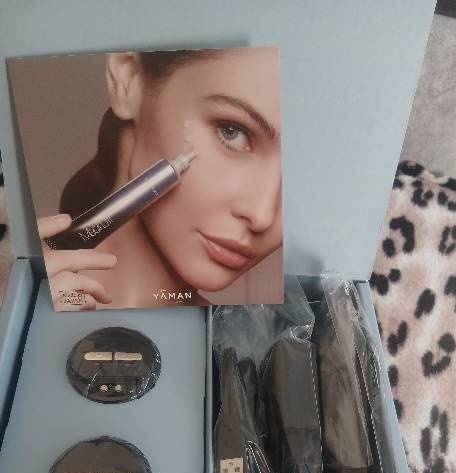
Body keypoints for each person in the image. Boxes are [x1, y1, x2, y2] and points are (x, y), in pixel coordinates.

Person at [39, 48, 282, 310]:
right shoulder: (26, 296)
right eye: (232, 132)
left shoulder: (239, 335)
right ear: (128, 79)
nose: (262, 215)